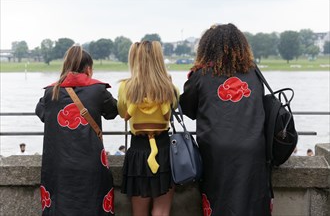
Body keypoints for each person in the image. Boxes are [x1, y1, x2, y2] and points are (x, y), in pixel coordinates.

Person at [180, 23, 271, 215]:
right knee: (253, 201)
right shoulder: (253, 73)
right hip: (252, 147)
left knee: (218, 200)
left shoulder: (200, 75)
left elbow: (188, 109)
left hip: (216, 149)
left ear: (207, 48)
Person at [35, 45, 118, 215]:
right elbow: (113, 112)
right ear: (88, 68)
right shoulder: (98, 90)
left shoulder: (51, 92)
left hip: (59, 166)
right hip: (91, 164)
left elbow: (41, 112)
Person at [117, 41, 179, 216]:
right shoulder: (169, 87)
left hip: (138, 149)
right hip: (164, 148)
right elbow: (175, 105)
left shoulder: (125, 87)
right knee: (162, 210)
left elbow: (122, 112)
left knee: (139, 212)